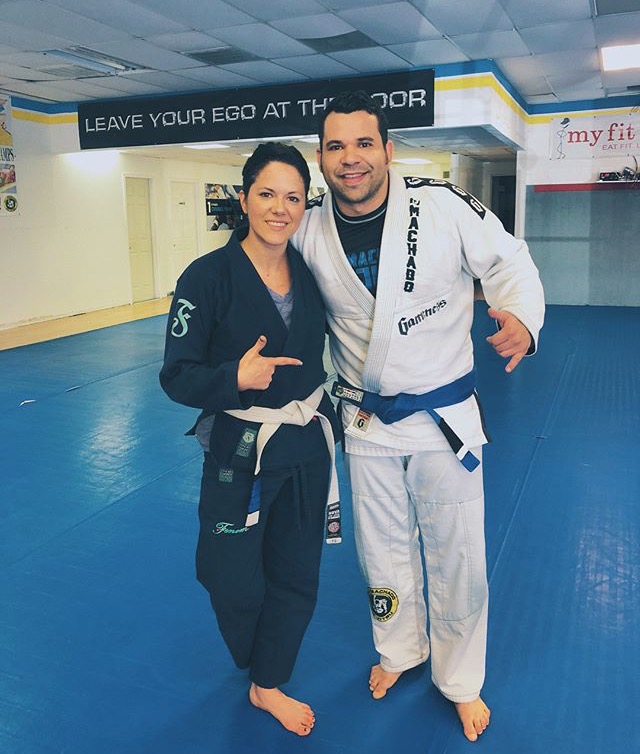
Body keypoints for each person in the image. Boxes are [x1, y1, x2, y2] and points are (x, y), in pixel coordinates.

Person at [293, 90, 545, 742]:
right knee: (381, 553)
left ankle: (460, 681)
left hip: (445, 422)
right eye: (336, 146)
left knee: (458, 556)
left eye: (363, 143)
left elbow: (509, 261)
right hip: (365, 422)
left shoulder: (441, 205)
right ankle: (400, 649)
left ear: (388, 149)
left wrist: (522, 319)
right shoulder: (308, 226)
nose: (350, 158)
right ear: (320, 157)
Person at [160, 142, 340, 737]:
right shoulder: (206, 277)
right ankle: (252, 652)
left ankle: (269, 681)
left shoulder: (312, 272)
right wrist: (232, 379)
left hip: (305, 441)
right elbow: (176, 375)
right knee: (227, 573)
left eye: (293, 197)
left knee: (297, 571)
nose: (279, 209)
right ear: (243, 198)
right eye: (266, 194)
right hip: (239, 448)